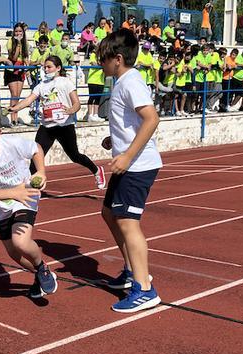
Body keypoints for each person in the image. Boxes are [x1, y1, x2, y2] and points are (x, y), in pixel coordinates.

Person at [0, 103, 58, 299]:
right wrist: (12, 193)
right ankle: (40, 272)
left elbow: (36, 148)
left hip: (25, 196)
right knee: (14, 254)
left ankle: (42, 268)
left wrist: (40, 171)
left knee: (20, 241)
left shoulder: (11, 144)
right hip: (3, 205)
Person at [96, 29, 162, 313]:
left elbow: (151, 118)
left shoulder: (129, 82)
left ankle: (144, 288)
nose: (100, 63)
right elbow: (133, 121)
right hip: (129, 162)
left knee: (127, 222)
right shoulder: (123, 82)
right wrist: (116, 140)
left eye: (103, 59)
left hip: (137, 165)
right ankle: (131, 270)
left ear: (118, 59)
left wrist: (127, 155)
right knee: (109, 213)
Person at [8, 55, 106, 189]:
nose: (46, 70)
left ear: (58, 68)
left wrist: (71, 110)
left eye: (49, 67)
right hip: (47, 127)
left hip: (64, 126)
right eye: (45, 67)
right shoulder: (41, 86)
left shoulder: (66, 82)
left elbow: (76, 103)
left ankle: (96, 170)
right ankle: (30, 188)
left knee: (75, 156)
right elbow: (28, 100)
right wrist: (13, 108)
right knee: (35, 157)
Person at [5, 23, 29, 127]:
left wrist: (27, 67)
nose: (18, 33)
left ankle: (16, 117)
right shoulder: (10, 41)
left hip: (21, 69)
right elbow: (14, 57)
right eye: (16, 31)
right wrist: (18, 44)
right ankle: (12, 119)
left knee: (18, 96)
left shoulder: (26, 43)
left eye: (20, 31)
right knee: (14, 94)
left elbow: (25, 57)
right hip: (12, 69)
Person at [86, 50, 105, 122]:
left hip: (101, 81)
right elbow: (94, 63)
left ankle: (96, 114)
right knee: (92, 97)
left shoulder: (104, 56)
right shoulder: (93, 54)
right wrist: (101, 65)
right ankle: (90, 115)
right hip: (92, 80)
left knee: (98, 98)